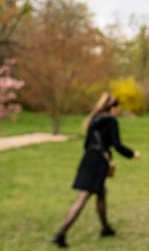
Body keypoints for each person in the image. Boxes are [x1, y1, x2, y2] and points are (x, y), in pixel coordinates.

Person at [52, 93, 140, 248]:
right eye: (117, 108)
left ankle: (106, 228)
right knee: (84, 196)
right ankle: (61, 233)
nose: (118, 111)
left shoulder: (93, 119)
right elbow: (117, 145)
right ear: (112, 108)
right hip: (99, 161)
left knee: (101, 193)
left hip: (88, 158)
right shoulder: (111, 121)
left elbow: (86, 144)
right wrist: (132, 153)